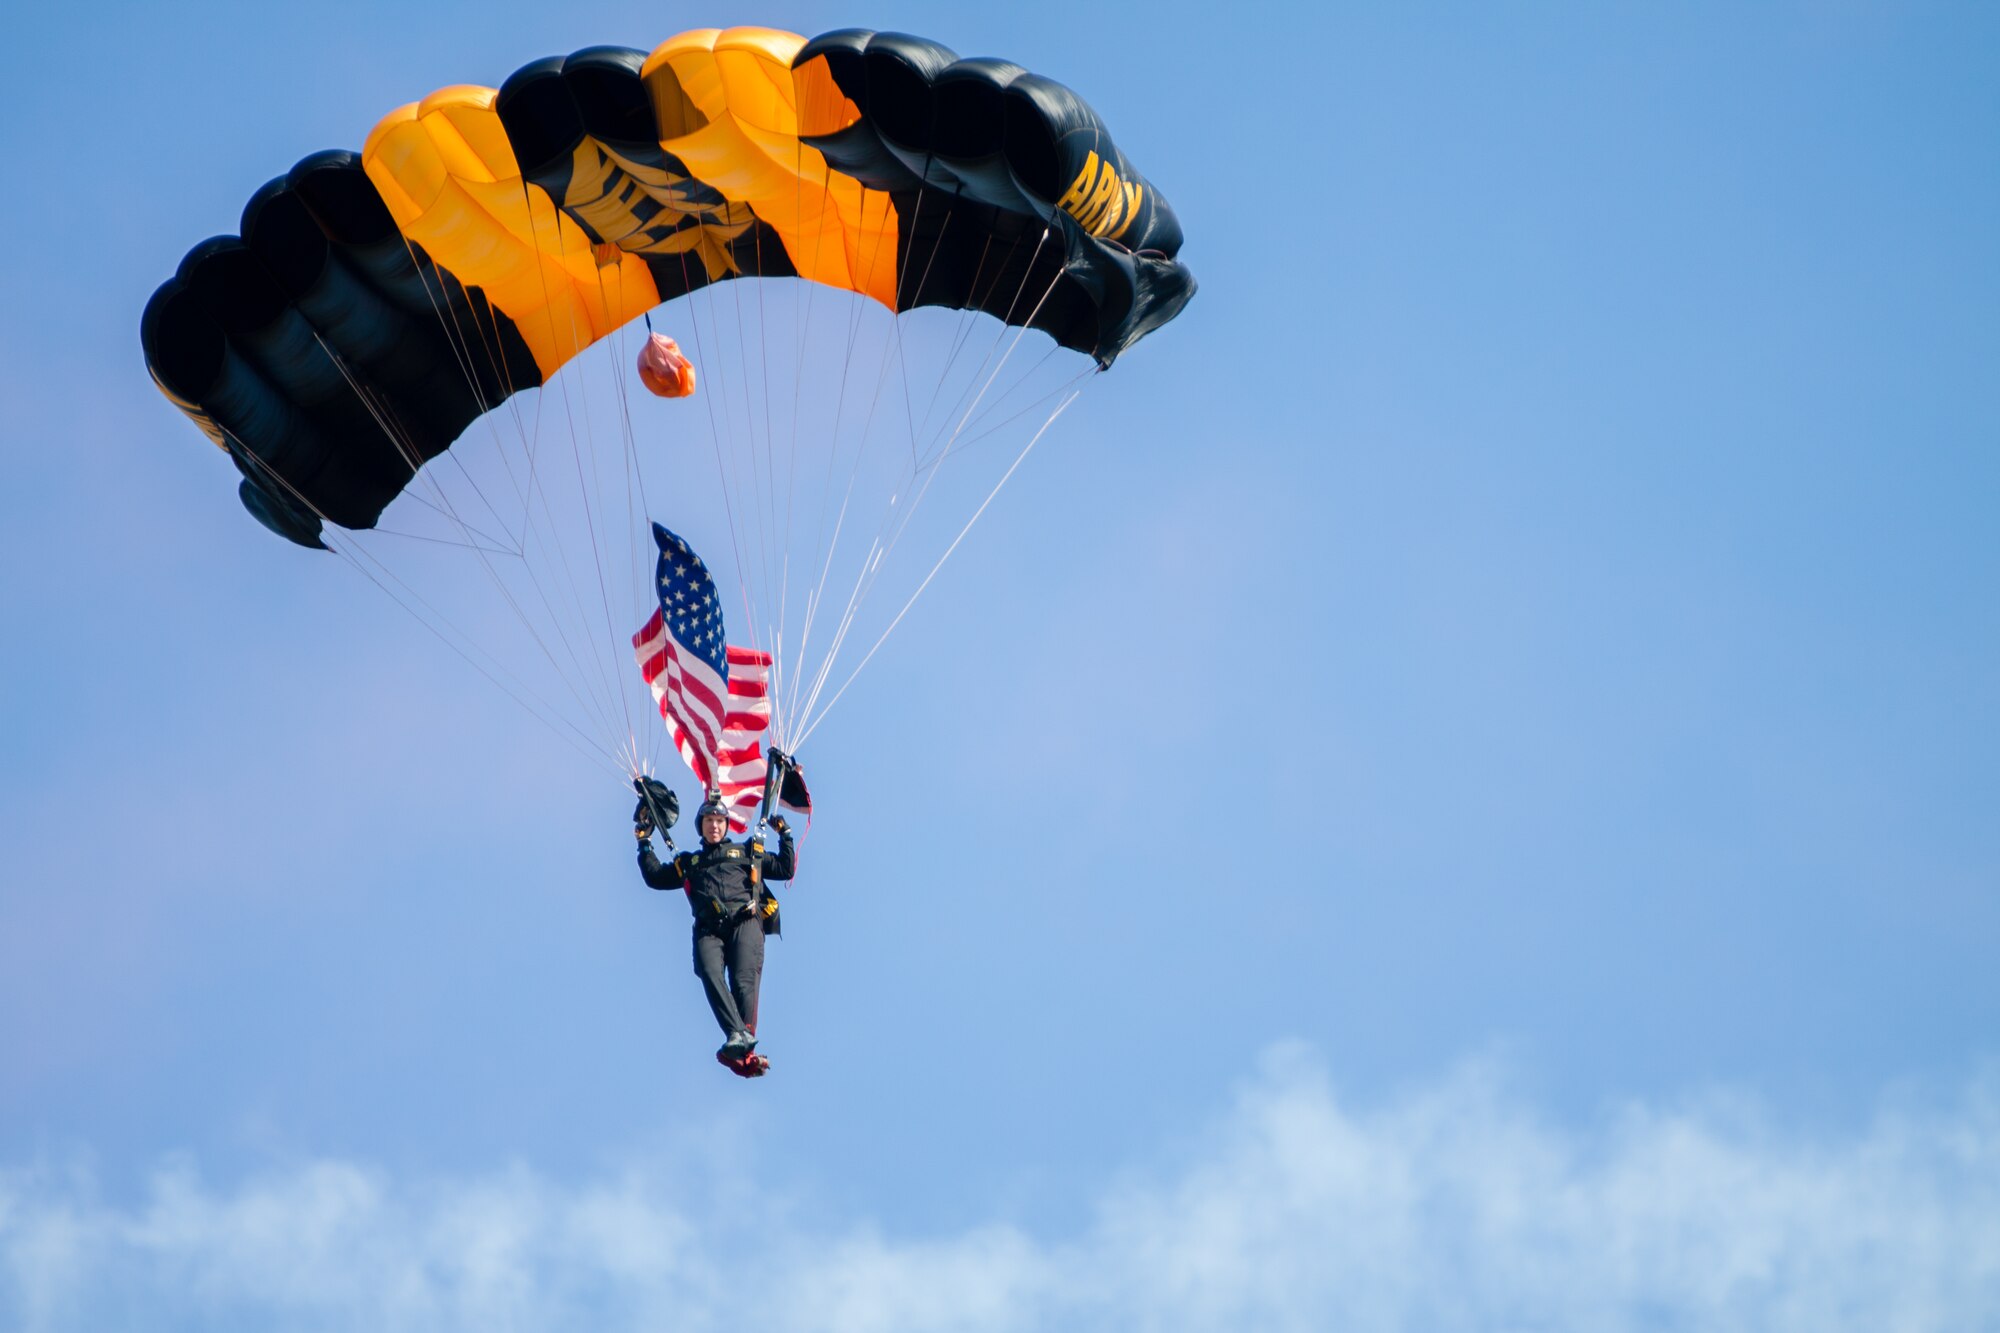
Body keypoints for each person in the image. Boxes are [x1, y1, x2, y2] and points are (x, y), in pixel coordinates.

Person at [635, 791, 796, 1071]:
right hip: (709, 928)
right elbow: (655, 877)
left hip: (745, 921)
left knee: (743, 978)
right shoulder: (690, 863)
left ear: (726, 824)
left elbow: (784, 868)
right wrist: (644, 842)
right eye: (709, 820)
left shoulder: (747, 853)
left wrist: (786, 835)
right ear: (701, 826)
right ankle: (738, 1037)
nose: (714, 826)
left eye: (719, 820)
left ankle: (744, 1037)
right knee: (709, 972)